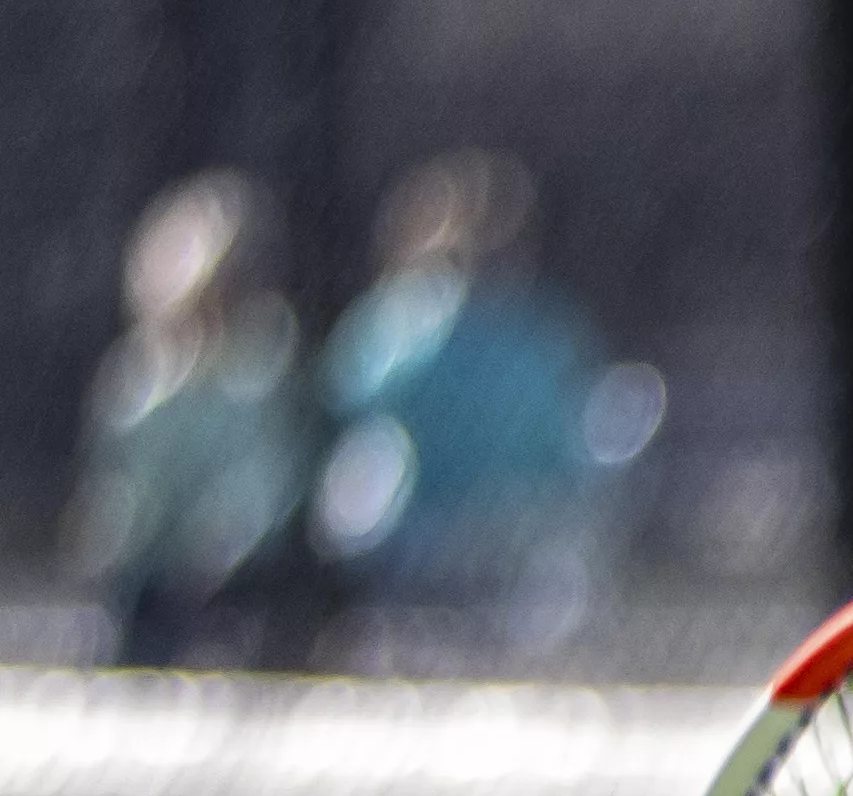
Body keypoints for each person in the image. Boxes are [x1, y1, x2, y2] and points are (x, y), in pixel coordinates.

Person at [313, 150, 646, 637]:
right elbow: (348, 399)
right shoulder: (410, 321)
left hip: (496, 522)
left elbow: (571, 424)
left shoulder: (532, 327)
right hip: (453, 524)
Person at [70, 171, 318, 667]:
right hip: (156, 572)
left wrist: (221, 539)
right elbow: (124, 483)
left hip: (244, 568)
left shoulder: (266, 367)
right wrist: (125, 536)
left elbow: (274, 478)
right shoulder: (140, 378)